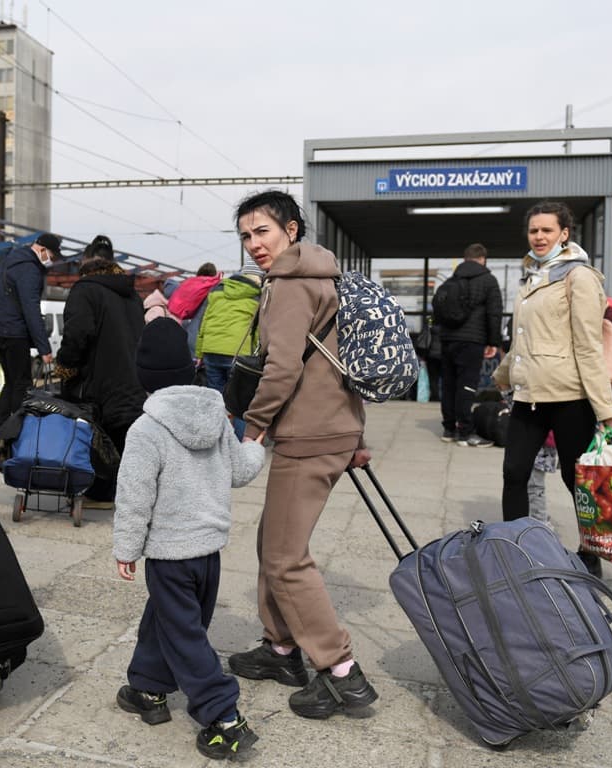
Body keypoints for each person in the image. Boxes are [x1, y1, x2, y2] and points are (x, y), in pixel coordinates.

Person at [226, 190, 378, 720]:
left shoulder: (291, 285)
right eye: (245, 235)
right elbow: (338, 362)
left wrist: (253, 429)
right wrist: (355, 436)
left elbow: (283, 368)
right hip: (331, 428)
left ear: (291, 230)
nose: (253, 244)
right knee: (274, 541)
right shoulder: (324, 276)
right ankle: (281, 649)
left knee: (286, 558)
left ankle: (343, 674)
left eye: (262, 231)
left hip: (308, 434)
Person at [113, 318, 266, 761]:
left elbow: (134, 498)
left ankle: (224, 717)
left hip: (169, 555)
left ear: (143, 377)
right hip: (208, 555)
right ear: (189, 367)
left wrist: (126, 548)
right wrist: (255, 442)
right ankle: (148, 689)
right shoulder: (216, 417)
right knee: (166, 620)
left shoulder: (146, 430)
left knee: (186, 637)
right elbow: (240, 471)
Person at [493, 201, 612, 578]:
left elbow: (587, 344)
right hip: (529, 395)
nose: (540, 236)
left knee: (576, 479)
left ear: (565, 234)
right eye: (534, 231)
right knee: (514, 472)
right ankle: (516, 550)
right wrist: (501, 377)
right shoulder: (533, 274)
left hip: (569, 397)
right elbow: (523, 340)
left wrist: (605, 409)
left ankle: (590, 554)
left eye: (547, 230)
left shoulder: (579, 277)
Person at [55, 237, 146, 504]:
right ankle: (125, 493)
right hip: (132, 380)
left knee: (97, 435)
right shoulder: (131, 294)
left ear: (85, 261)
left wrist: (66, 367)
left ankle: (101, 492)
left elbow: (77, 335)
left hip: (99, 382)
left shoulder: (85, 290)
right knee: (124, 437)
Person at [0, 232, 62, 429]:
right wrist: (44, 349)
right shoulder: (29, 269)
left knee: (11, 382)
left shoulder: (10, 261)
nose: (51, 261)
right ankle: (16, 430)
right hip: (13, 332)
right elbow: (31, 309)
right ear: (42, 249)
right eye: (51, 257)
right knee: (21, 384)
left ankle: (2, 426)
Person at [436, 243, 503, 446]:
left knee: (449, 385)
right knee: (466, 385)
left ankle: (449, 429)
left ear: (465, 259)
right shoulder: (488, 281)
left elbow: (437, 313)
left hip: (447, 340)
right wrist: (494, 342)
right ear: (483, 259)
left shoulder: (450, 281)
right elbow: (494, 313)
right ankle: (465, 432)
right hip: (472, 341)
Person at [195, 260, 263, 439]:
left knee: (217, 401)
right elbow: (257, 331)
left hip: (212, 350)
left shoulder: (218, 291)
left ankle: (216, 442)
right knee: (239, 402)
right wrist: (256, 355)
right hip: (238, 353)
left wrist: (199, 353)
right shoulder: (257, 296)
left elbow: (204, 323)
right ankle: (241, 446)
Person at [168, 262, 221, 359]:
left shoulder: (190, 285)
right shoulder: (215, 288)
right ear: (214, 274)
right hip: (206, 338)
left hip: (189, 333)